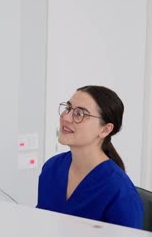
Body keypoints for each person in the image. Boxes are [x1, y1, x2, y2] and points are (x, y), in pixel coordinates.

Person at [36, 85, 143, 228]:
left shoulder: (120, 191)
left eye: (80, 114)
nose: (66, 117)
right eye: (68, 108)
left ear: (105, 130)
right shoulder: (52, 168)